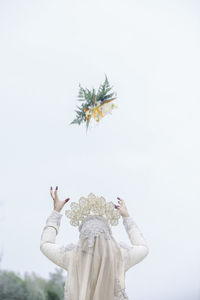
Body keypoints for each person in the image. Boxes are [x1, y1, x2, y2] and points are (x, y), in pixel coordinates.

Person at [40, 186, 149, 300]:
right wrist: (127, 217)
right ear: (108, 234)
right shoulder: (120, 257)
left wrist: (56, 212)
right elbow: (143, 247)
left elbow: (45, 244)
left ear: (83, 235)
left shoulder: (72, 257)